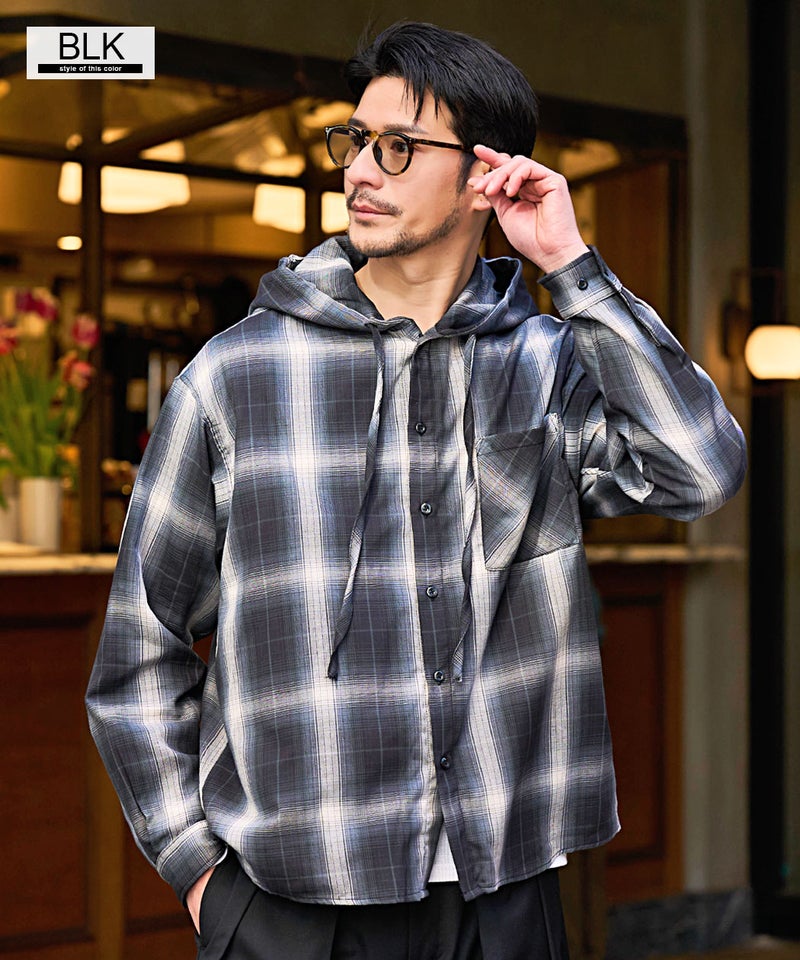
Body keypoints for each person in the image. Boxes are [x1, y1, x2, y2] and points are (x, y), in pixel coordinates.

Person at [86, 20, 747, 960]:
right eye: (355, 140)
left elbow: (702, 468)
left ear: (486, 175)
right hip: (291, 905)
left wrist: (571, 267)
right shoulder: (234, 377)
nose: (361, 170)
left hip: (503, 894)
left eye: (398, 147)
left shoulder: (551, 366)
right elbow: (138, 652)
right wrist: (200, 877)